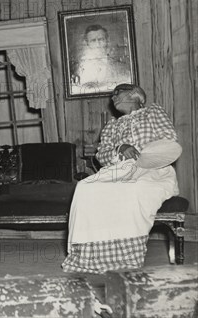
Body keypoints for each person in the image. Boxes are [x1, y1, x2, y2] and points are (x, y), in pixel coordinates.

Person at [62, 83, 180, 274]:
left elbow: (169, 138)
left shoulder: (153, 112)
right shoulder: (112, 125)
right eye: (113, 94)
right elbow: (102, 155)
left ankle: (126, 257)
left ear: (135, 95)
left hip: (151, 168)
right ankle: (90, 257)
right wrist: (120, 148)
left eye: (118, 92)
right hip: (119, 170)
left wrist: (143, 152)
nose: (113, 97)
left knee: (134, 189)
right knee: (86, 188)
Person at [70, 25, 131, 94]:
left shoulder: (121, 67)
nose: (98, 44)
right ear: (87, 43)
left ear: (107, 41)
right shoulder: (78, 69)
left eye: (101, 39)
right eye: (93, 41)